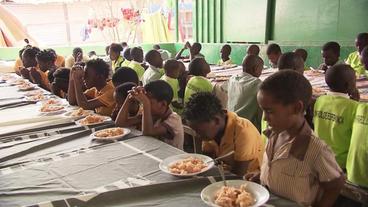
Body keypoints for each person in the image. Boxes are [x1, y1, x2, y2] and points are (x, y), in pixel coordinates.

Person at [252, 70, 344, 206]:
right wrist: (261, 177)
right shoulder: (273, 134)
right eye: (263, 110)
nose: (265, 117)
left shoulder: (316, 149)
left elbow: (336, 184)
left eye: (270, 111)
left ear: (297, 108)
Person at [183, 92, 264, 175]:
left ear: (216, 121)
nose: (197, 135)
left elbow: (239, 174)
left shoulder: (244, 132)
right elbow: (207, 161)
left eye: (199, 131)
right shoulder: (210, 130)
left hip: (249, 178)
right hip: (226, 171)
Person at [313, 64, 359, 169]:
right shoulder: (354, 107)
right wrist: (355, 103)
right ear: (348, 85)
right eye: (354, 81)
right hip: (341, 162)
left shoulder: (320, 100)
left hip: (319, 157)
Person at [115, 80, 184, 149]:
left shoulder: (174, 119)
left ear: (163, 104)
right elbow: (120, 124)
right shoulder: (153, 114)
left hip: (171, 156)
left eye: (148, 102)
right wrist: (129, 98)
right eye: (143, 101)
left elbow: (147, 132)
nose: (143, 105)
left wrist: (146, 103)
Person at [228, 55, 264, 131]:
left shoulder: (232, 79)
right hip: (247, 126)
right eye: (261, 69)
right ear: (255, 68)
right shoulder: (257, 83)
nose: (261, 72)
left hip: (230, 121)